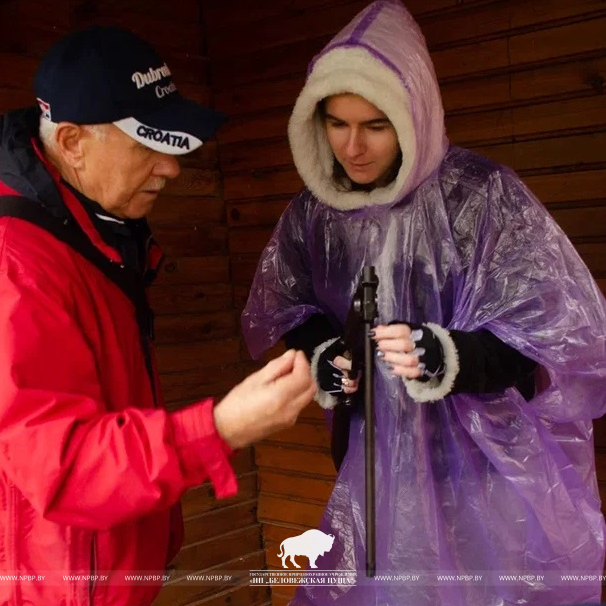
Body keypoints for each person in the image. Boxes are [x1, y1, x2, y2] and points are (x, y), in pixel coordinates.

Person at [241, 1, 606, 604]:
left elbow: (549, 335)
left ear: (414, 116)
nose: (352, 147)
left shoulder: (481, 198)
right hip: (374, 465)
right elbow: (291, 307)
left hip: (481, 468)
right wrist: (326, 354)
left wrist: (450, 356)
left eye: (376, 125)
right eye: (336, 123)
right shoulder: (314, 214)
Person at [0, 26, 316, 606]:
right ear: (71, 142)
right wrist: (221, 428)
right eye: (151, 145)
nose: (171, 168)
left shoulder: (98, 230)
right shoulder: (16, 265)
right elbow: (64, 468)